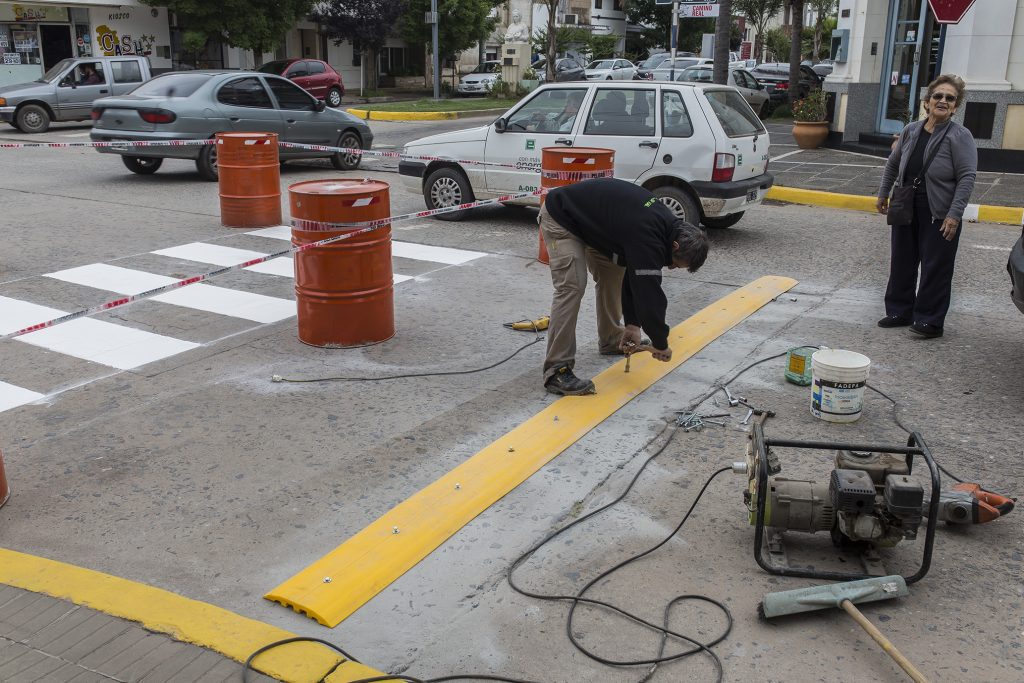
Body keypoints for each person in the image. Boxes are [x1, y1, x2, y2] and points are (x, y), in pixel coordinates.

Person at [538, 178, 710, 395]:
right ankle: (557, 370)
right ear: (674, 245)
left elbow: (634, 274)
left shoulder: (665, 228)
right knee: (572, 286)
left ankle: (611, 338)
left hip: (593, 225)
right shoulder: (649, 235)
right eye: (675, 264)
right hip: (562, 217)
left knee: (614, 273)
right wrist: (660, 342)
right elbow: (649, 296)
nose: (672, 268)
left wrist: (632, 325)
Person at [876, 74, 977, 339]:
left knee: (936, 266)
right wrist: (883, 193)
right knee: (902, 260)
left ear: (955, 107)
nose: (943, 101)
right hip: (906, 203)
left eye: (950, 98)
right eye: (938, 96)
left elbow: (967, 177)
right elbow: (893, 164)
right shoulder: (911, 130)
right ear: (927, 102)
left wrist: (954, 215)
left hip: (939, 210)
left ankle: (930, 320)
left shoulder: (960, 136)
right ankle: (899, 311)